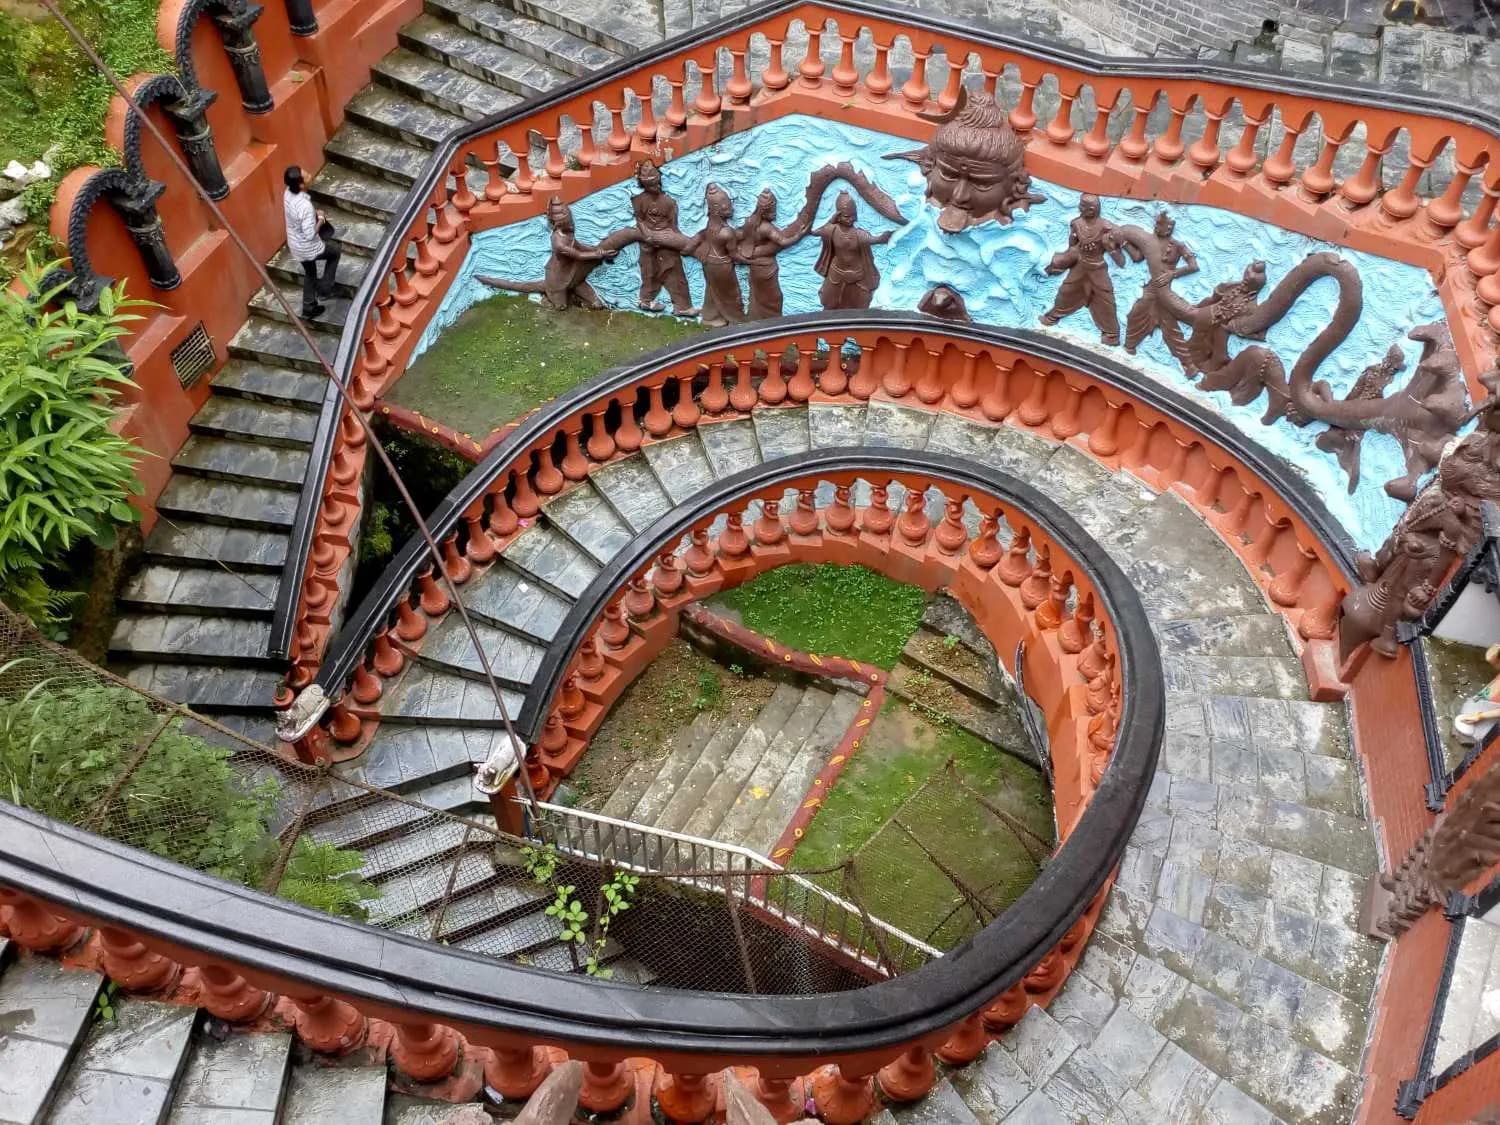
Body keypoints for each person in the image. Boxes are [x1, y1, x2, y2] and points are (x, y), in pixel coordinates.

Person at [1040, 194, 1125, 345]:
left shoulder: (1107, 228)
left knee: (1106, 299)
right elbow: (1072, 247)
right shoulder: (1076, 224)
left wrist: (1110, 248)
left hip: (1098, 268)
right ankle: (1052, 317)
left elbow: (1121, 262)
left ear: (1093, 209)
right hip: (1080, 266)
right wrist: (1071, 246)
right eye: (1080, 205)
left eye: (1084, 207)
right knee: (1066, 291)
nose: (1080, 209)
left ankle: (1112, 334)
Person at [813, 192, 891, 311]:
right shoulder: (832, 230)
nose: (850, 219)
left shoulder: (859, 234)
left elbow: (874, 240)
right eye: (846, 216)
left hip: (856, 275)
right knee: (828, 302)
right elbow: (816, 231)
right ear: (838, 215)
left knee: (859, 304)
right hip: (836, 274)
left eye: (852, 216)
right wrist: (831, 220)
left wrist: (886, 237)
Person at [283, 165, 339, 319]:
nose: (309, 174)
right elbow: (309, 234)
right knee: (334, 253)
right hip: (307, 246)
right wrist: (320, 218)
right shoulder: (305, 207)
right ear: (300, 185)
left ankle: (309, 306)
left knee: (310, 271)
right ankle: (325, 289)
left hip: (295, 243)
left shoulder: (287, 193)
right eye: (305, 175)